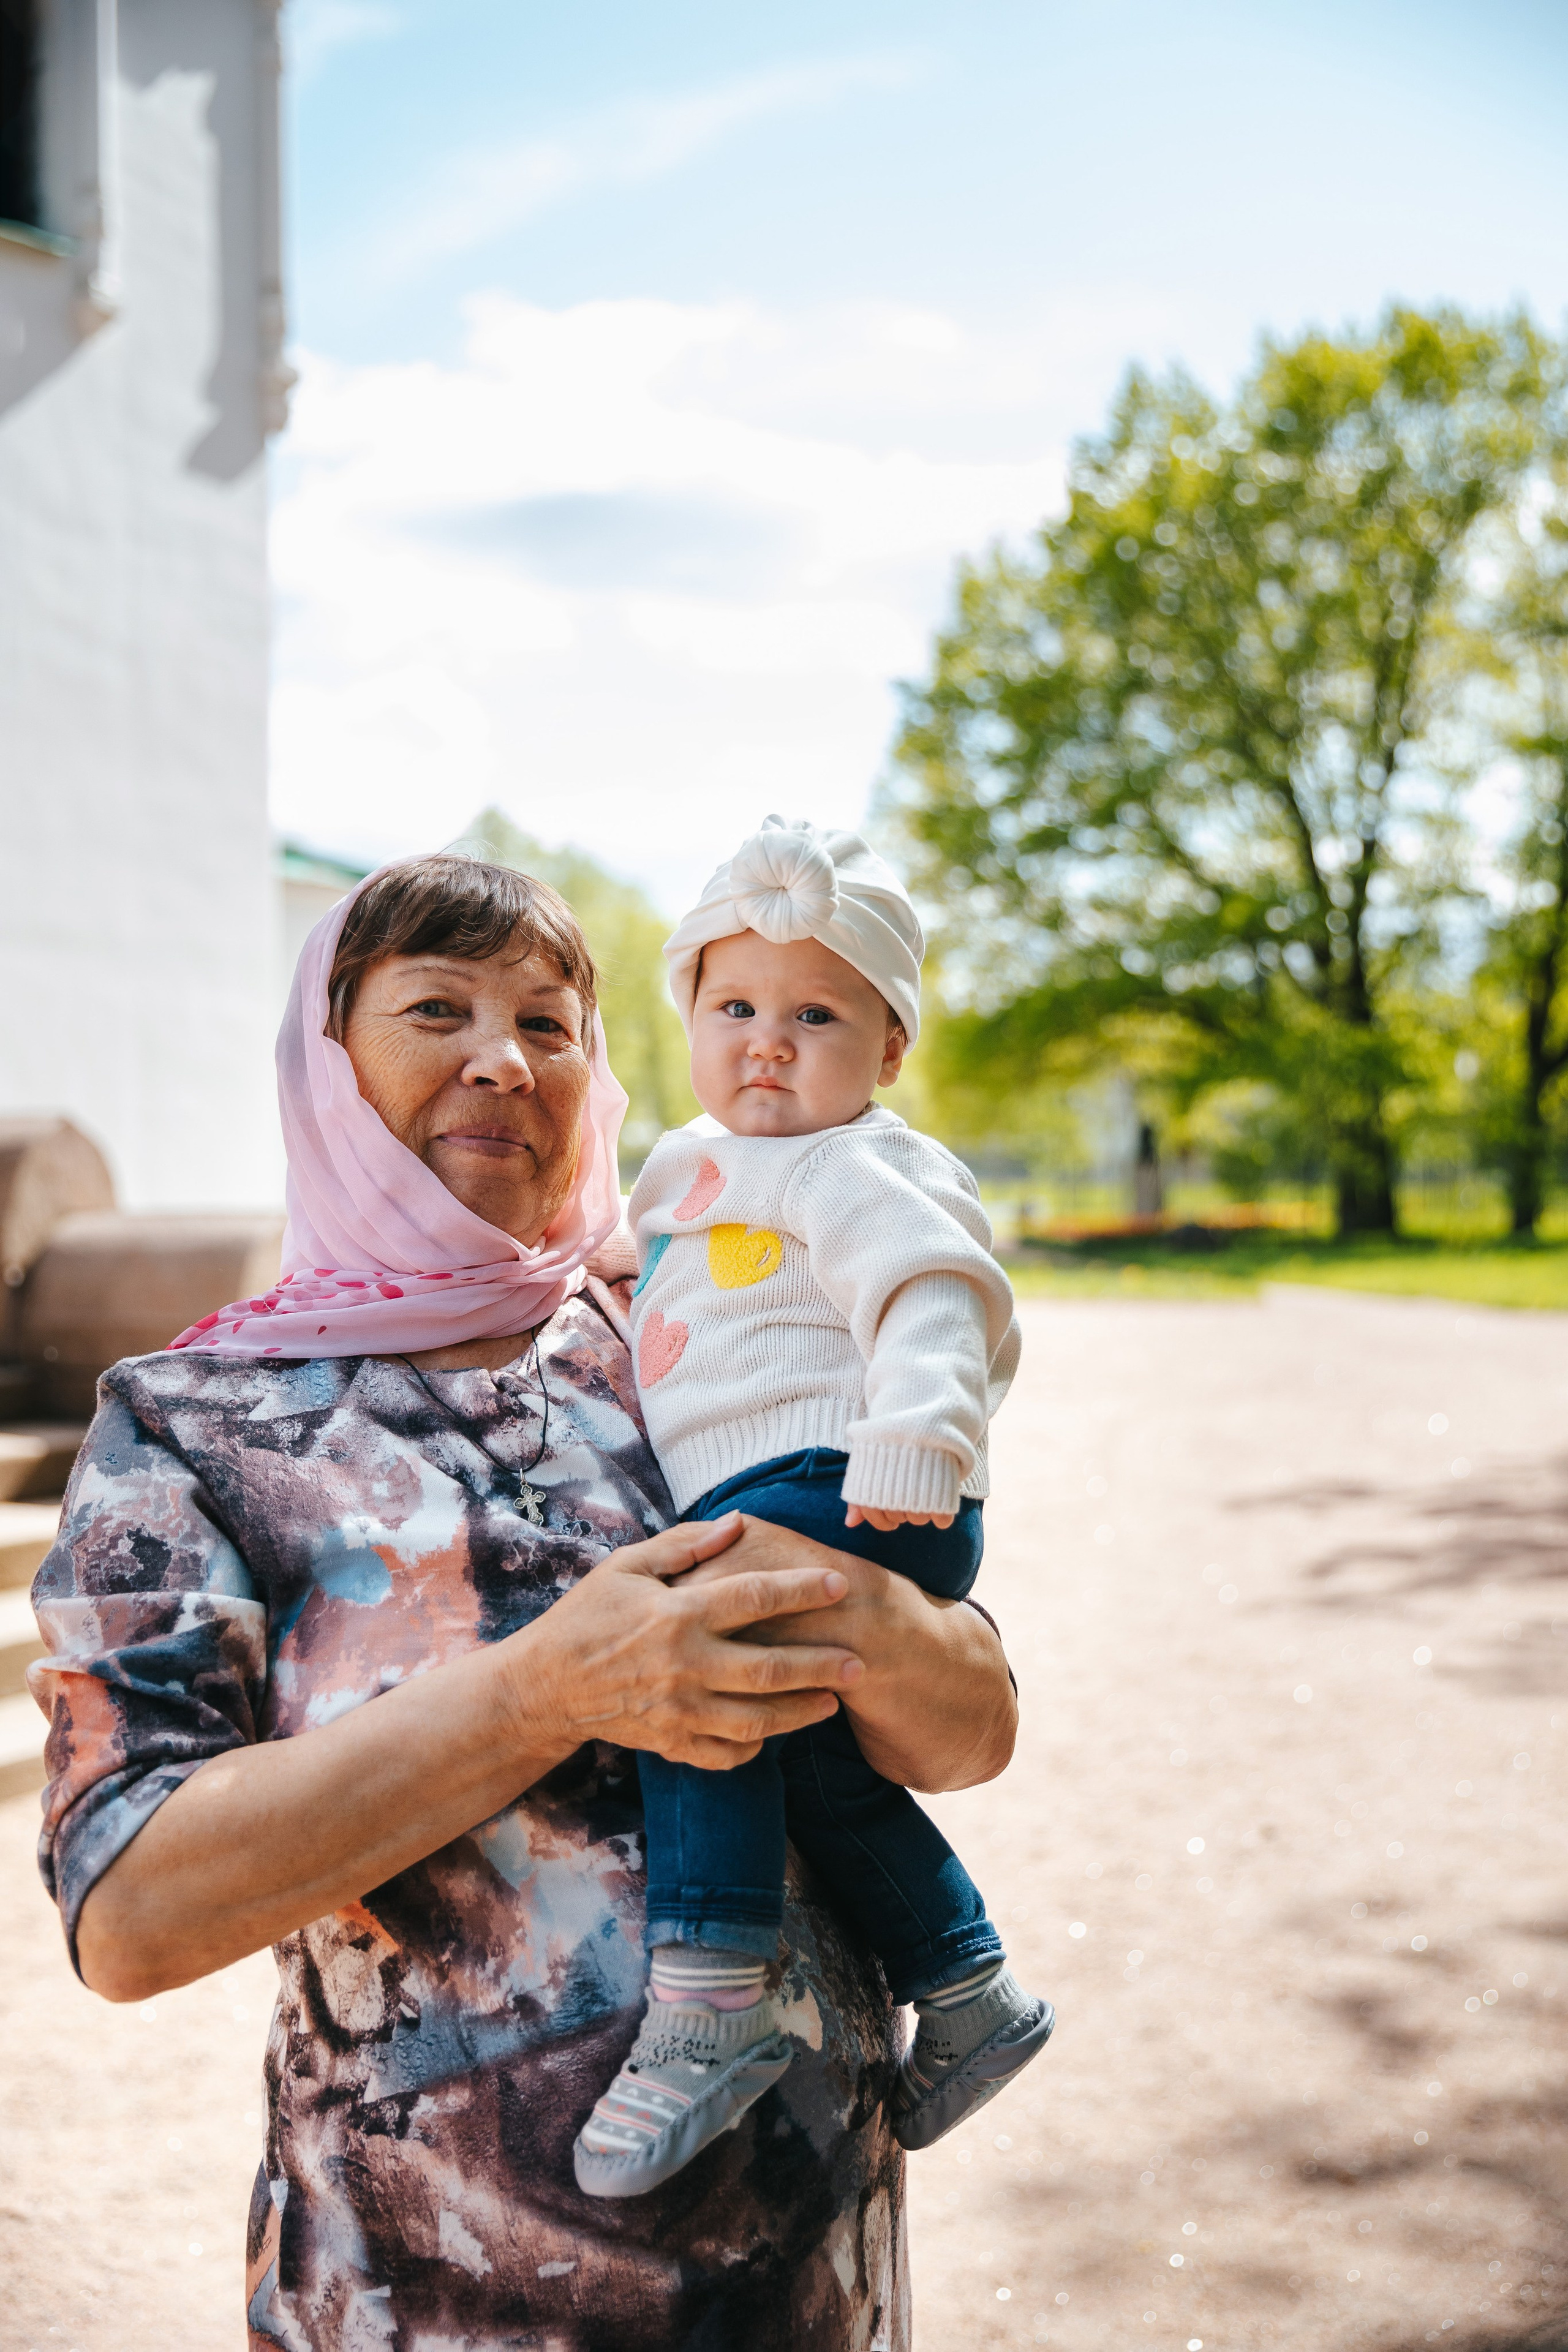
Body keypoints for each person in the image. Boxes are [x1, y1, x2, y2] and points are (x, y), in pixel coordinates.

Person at [28, 853, 1020, 2352]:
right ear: (328, 1060)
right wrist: (546, 1688)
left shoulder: (690, 1327)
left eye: (549, 1023)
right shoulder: (193, 1427)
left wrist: (867, 1625)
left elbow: (971, 1728)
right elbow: (132, 1915)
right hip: (429, 2302)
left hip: (812, 2291)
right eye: (438, 1008)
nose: (502, 1057)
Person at [573, 817, 1052, 2199]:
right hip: (781, 1488)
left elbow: (931, 1299)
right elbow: (649, 1264)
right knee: (808, 1750)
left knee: (688, 1647)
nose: (765, 1042)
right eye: (733, 1007)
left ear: (888, 1049)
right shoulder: (688, 1166)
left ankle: (713, 1990)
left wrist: (917, 1436)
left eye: (814, 1015)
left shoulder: (861, 1167)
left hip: (862, 1483)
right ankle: (964, 1985)